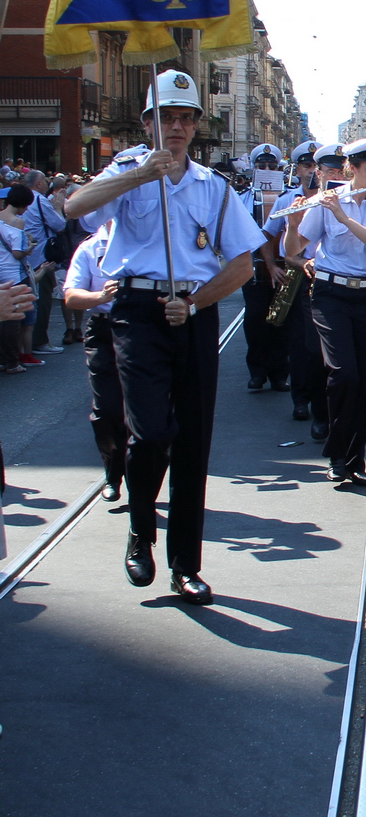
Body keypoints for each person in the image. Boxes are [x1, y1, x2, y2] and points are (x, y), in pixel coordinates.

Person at [66, 70, 265, 605]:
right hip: (136, 308)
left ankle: (186, 566)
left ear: (196, 125)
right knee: (151, 429)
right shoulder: (127, 169)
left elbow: (244, 264)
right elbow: (74, 208)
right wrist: (135, 176)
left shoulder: (213, 186)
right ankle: (139, 528)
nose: (175, 127)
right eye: (166, 117)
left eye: (185, 118)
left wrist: (197, 303)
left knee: (193, 440)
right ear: (148, 123)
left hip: (191, 312)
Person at [285, 137, 366, 484]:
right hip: (330, 292)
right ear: (352, 169)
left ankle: (354, 458)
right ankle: (337, 454)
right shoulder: (325, 203)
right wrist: (292, 224)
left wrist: (343, 216)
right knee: (343, 372)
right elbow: (295, 250)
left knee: (364, 380)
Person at [264, 140, 329, 434]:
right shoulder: (287, 199)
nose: (311, 171)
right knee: (302, 344)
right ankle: (301, 400)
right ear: (300, 169)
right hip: (299, 274)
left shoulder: (335, 199)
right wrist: (273, 266)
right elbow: (268, 235)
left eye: (317, 166)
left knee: (327, 349)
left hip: (329, 277)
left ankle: (326, 408)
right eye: (306, 165)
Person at [63, 224, 127, 502]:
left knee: (148, 406)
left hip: (143, 328)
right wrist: (101, 296)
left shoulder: (148, 241)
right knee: (107, 406)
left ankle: (144, 476)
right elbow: (71, 296)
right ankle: (113, 474)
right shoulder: (89, 248)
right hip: (104, 329)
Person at [240, 143, 290, 392]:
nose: (267, 170)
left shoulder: (289, 197)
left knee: (282, 321)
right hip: (253, 270)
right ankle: (257, 372)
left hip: (284, 268)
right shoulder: (240, 199)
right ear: (254, 168)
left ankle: (280, 374)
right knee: (255, 321)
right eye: (262, 166)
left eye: (272, 166)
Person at [22, 168, 67, 354]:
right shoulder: (39, 200)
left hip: (24, 257)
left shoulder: (21, 200)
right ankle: (39, 341)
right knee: (43, 300)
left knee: (26, 300)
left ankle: (26, 343)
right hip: (41, 256)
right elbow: (59, 224)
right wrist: (58, 208)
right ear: (38, 184)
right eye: (44, 181)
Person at [0, 187, 34, 374]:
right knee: (14, 320)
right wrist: (29, 247)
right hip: (15, 274)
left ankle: (3, 359)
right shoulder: (17, 221)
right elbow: (17, 252)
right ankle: (13, 361)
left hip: (0, 273)